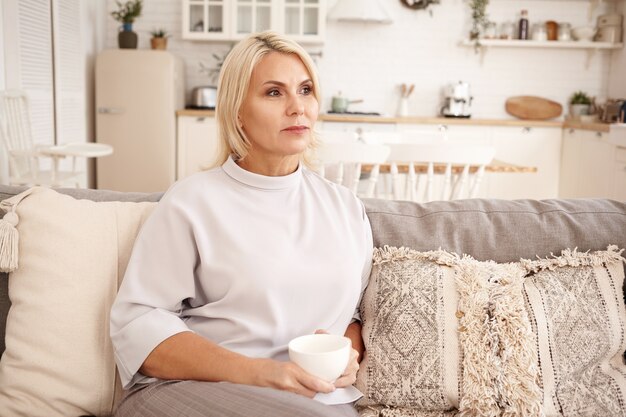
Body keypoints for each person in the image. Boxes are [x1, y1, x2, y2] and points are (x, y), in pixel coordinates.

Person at [110, 30, 373, 417]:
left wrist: (348, 354)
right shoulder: (193, 202)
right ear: (236, 110)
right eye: (273, 92)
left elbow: (356, 315)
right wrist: (261, 373)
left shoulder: (345, 207)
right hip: (202, 392)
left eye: (305, 90)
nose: (297, 108)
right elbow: (139, 325)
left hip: (320, 401)